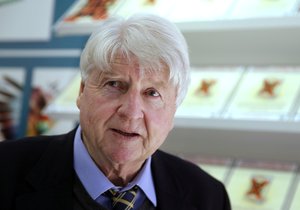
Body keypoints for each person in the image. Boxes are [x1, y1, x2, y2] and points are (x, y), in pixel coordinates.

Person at [0, 14, 231, 210]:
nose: (131, 113)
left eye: (152, 93)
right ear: (82, 91)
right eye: (114, 84)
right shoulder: (6, 169)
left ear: (174, 108)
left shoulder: (208, 197)